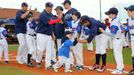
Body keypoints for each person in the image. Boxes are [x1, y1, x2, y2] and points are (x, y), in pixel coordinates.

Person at [36, 2, 62, 70]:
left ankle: (48, 65)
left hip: (48, 35)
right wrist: (58, 19)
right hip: (41, 34)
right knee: (40, 49)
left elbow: (54, 22)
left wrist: (52, 34)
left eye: (51, 7)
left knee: (49, 50)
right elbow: (50, 22)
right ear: (46, 7)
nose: (50, 8)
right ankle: (38, 61)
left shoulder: (51, 14)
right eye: (49, 7)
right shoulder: (43, 14)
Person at [100, 7, 124, 74]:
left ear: (113, 14)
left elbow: (112, 34)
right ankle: (121, 67)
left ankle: (119, 69)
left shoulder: (114, 22)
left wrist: (103, 31)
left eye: (109, 14)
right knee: (119, 54)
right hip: (120, 38)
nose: (108, 15)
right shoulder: (117, 20)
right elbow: (122, 29)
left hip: (117, 39)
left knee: (117, 54)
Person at [124, 5, 134, 75]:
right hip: (133, 38)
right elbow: (128, 29)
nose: (127, 12)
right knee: (133, 54)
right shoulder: (129, 19)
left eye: (129, 11)